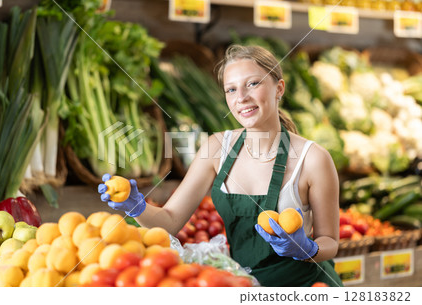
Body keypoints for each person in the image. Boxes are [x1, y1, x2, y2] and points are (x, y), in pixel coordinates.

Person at [98, 44, 343, 287]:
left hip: (307, 288)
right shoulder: (217, 148)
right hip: (245, 287)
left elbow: (330, 242)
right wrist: (136, 207)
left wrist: (306, 249)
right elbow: (169, 221)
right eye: (231, 89)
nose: (242, 98)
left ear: (278, 88)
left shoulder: (313, 159)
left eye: (253, 84)